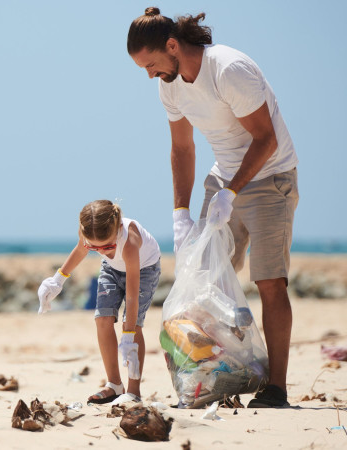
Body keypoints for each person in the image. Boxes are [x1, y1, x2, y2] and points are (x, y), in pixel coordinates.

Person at [126, 7, 299, 408]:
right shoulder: (169, 85)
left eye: (151, 64)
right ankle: (217, 373)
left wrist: (232, 193)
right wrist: (180, 212)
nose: (150, 74)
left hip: (271, 177)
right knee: (203, 281)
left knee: (270, 281)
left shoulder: (229, 69)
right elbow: (182, 147)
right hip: (224, 179)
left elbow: (266, 139)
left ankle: (276, 387)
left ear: (172, 46)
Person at [38, 200, 161, 404]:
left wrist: (128, 335)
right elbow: (80, 250)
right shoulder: (89, 230)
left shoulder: (129, 242)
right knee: (102, 319)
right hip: (111, 269)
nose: (102, 251)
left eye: (108, 246)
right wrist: (57, 281)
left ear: (118, 228)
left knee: (132, 325)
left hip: (143, 269)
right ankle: (114, 384)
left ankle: (133, 391)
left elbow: (131, 297)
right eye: (95, 248)